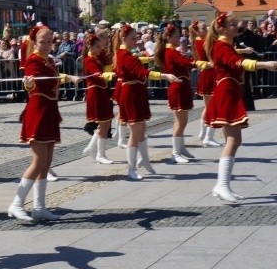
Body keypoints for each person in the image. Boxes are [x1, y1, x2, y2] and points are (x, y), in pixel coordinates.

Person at [203, 13, 277, 203]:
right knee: (233, 140)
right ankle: (222, 185)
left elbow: (235, 58)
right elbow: (237, 63)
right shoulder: (221, 46)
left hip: (230, 91)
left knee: (234, 139)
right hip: (226, 93)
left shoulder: (225, 45)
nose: (236, 26)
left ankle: (222, 185)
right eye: (232, 24)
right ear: (222, 29)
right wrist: (265, 64)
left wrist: (243, 53)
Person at [7, 25, 81, 222]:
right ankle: (16, 203)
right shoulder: (33, 60)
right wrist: (30, 83)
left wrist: (67, 77)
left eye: (50, 41)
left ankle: (39, 206)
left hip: (49, 109)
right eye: (43, 42)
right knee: (38, 161)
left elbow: (52, 79)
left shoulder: (48, 60)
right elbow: (34, 83)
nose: (47, 45)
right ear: (34, 43)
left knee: (47, 161)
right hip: (38, 110)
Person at [114, 24, 176, 180]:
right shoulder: (124, 55)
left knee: (142, 129)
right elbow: (142, 72)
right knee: (135, 132)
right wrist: (165, 76)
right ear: (124, 38)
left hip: (136, 91)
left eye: (136, 38)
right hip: (130, 94)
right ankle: (131, 169)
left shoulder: (127, 53)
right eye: (132, 38)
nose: (136, 40)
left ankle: (145, 160)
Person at [156, 23, 210, 164]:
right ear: (169, 37)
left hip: (181, 86)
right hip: (178, 87)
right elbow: (184, 62)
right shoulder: (171, 52)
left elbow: (183, 61)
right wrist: (200, 64)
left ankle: (181, 148)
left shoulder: (171, 50)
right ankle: (175, 152)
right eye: (176, 36)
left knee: (181, 122)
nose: (179, 38)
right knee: (181, 123)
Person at [81, 33, 116, 164]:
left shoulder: (96, 57)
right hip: (95, 92)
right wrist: (111, 74)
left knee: (106, 123)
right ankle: (100, 154)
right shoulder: (89, 60)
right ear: (90, 47)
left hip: (101, 91)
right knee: (104, 123)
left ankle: (95, 150)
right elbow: (97, 74)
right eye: (97, 47)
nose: (100, 49)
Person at [191, 21, 221, 146]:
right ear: (197, 31)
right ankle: (208, 136)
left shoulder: (196, 41)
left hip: (204, 73)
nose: (207, 29)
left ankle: (203, 133)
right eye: (204, 28)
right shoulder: (204, 42)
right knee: (214, 106)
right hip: (210, 73)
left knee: (208, 106)